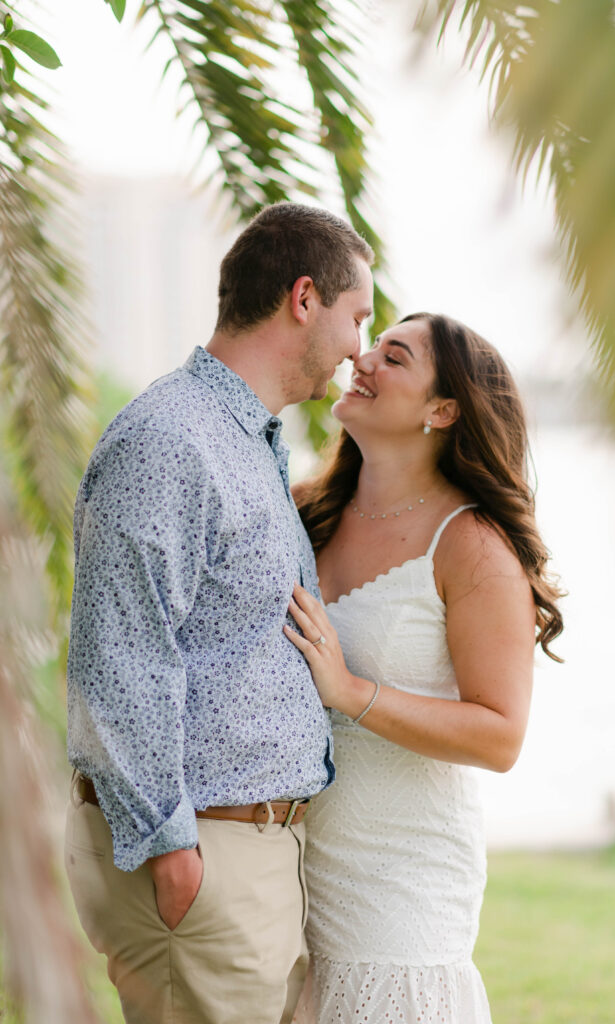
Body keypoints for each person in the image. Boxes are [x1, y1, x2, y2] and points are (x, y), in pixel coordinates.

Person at [64, 202, 375, 1024]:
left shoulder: (247, 441)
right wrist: (174, 855)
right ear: (303, 299)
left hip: (253, 863)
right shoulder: (171, 439)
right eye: (357, 317)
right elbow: (120, 656)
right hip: (201, 867)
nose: (358, 348)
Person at [285, 313, 564, 1024]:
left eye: (394, 357)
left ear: (443, 410)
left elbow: (500, 735)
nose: (363, 359)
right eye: (372, 345)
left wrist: (350, 692)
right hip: (288, 872)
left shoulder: (469, 544)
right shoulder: (307, 512)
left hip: (399, 891)